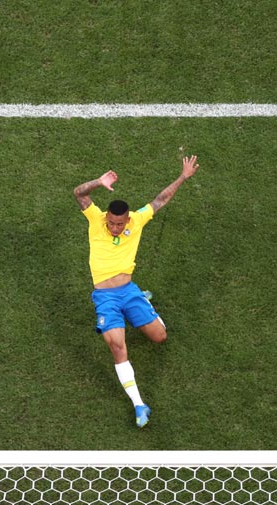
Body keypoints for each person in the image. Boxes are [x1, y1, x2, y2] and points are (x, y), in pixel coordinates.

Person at [73, 155, 200, 427]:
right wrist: (99, 182)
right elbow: (78, 193)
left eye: (120, 224)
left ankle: (143, 301)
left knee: (159, 337)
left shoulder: (136, 221)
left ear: (126, 219)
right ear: (106, 217)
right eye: (112, 223)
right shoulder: (96, 220)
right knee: (118, 346)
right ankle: (139, 404)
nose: (115, 228)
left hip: (129, 291)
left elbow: (160, 200)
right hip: (105, 298)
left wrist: (182, 177)